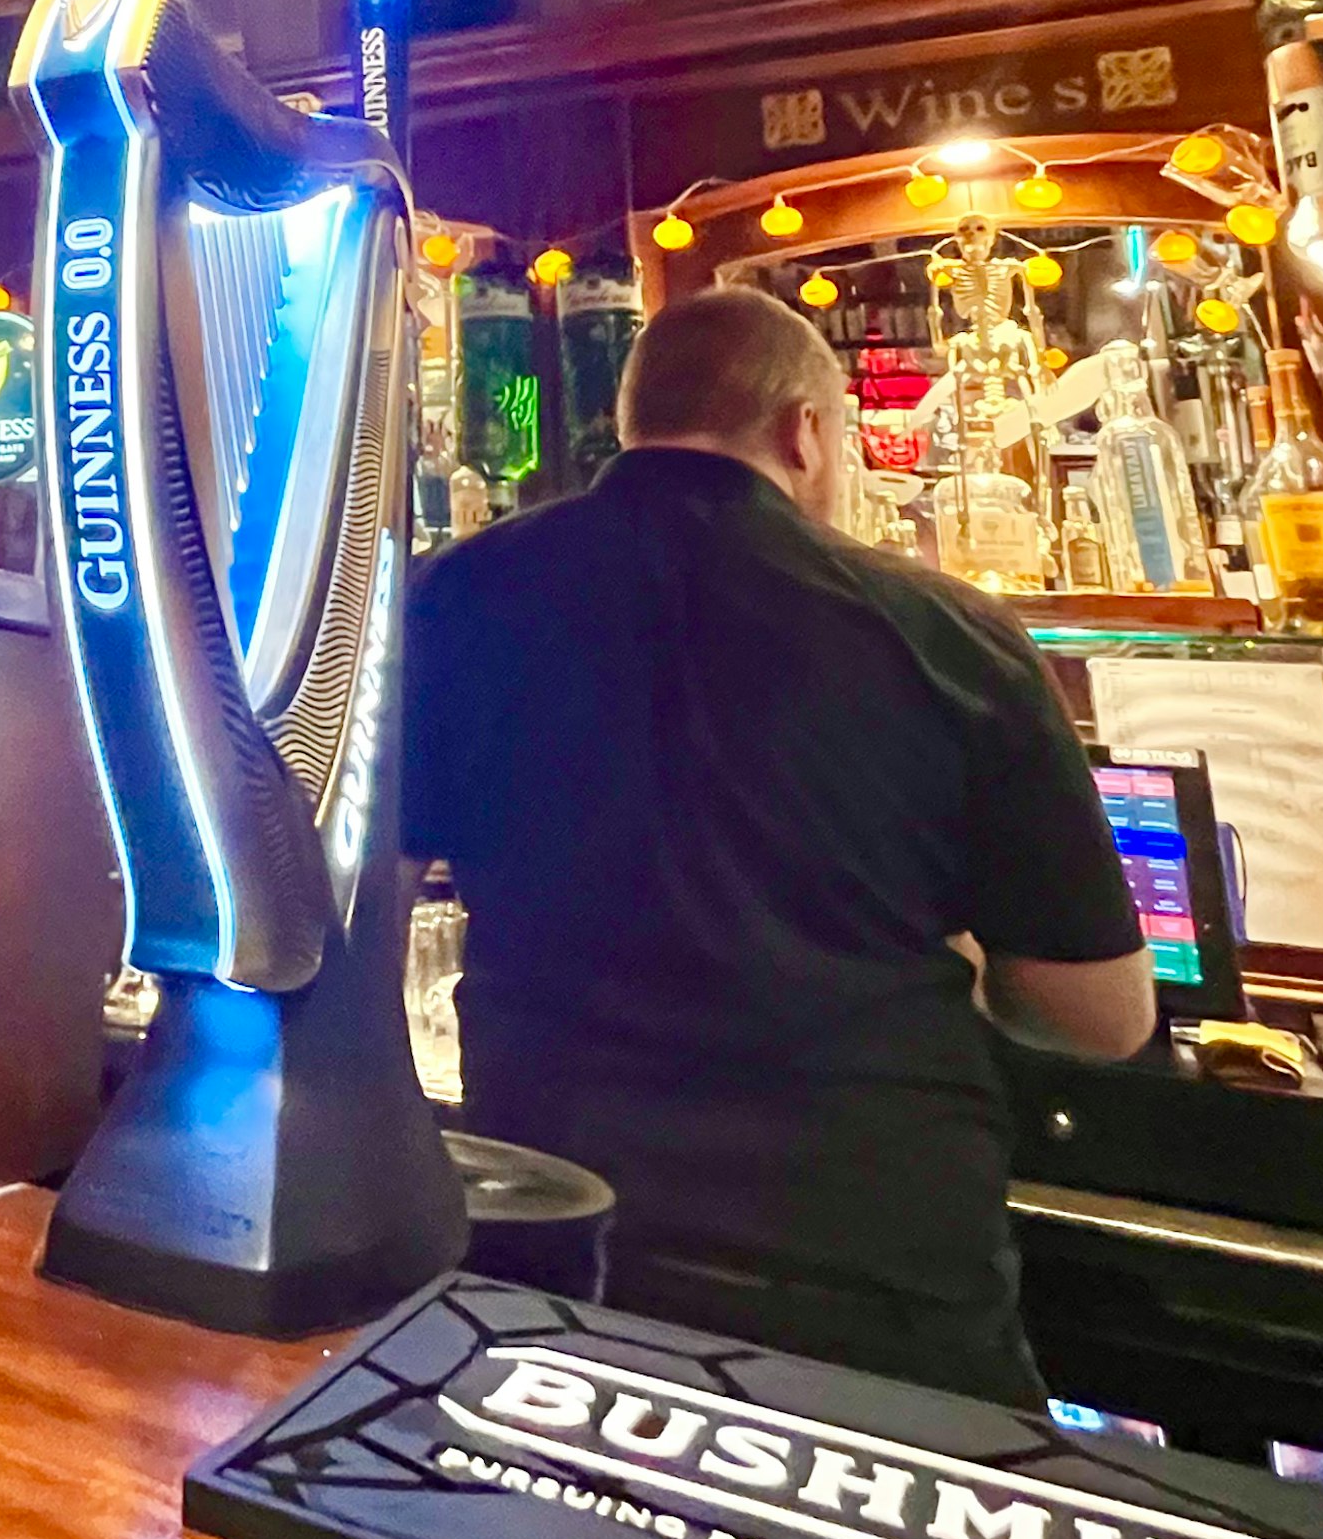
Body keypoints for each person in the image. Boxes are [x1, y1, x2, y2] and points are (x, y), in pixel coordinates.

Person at [405, 282, 1155, 1406]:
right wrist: (959, 954)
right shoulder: (952, 634)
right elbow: (1103, 1019)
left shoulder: (458, 594)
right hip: (870, 1274)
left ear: (630, 423)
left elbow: (360, 909)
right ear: (808, 433)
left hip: (552, 1236)